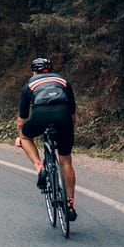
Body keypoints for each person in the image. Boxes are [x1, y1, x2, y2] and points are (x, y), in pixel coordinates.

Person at [16, 57, 78, 221]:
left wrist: (20, 137)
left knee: (25, 135)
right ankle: (70, 203)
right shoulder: (63, 81)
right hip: (63, 116)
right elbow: (73, 115)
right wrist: (68, 131)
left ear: (33, 72)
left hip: (40, 114)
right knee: (66, 161)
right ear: (50, 70)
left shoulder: (29, 85)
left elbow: (22, 120)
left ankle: (39, 167)